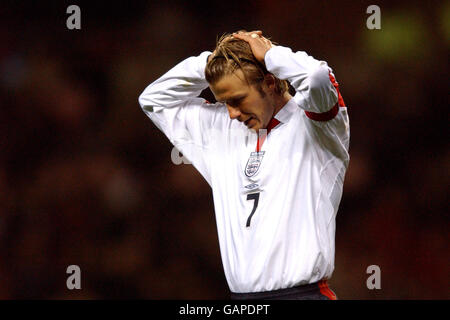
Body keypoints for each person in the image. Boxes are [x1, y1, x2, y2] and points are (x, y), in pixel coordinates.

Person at [138, 30, 349, 300]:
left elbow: (317, 77)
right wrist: (216, 62)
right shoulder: (220, 131)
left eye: (237, 99)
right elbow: (153, 100)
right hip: (242, 301)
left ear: (270, 83)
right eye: (224, 103)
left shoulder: (316, 126)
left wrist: (271, 55)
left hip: (303, 295)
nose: (232, 113)